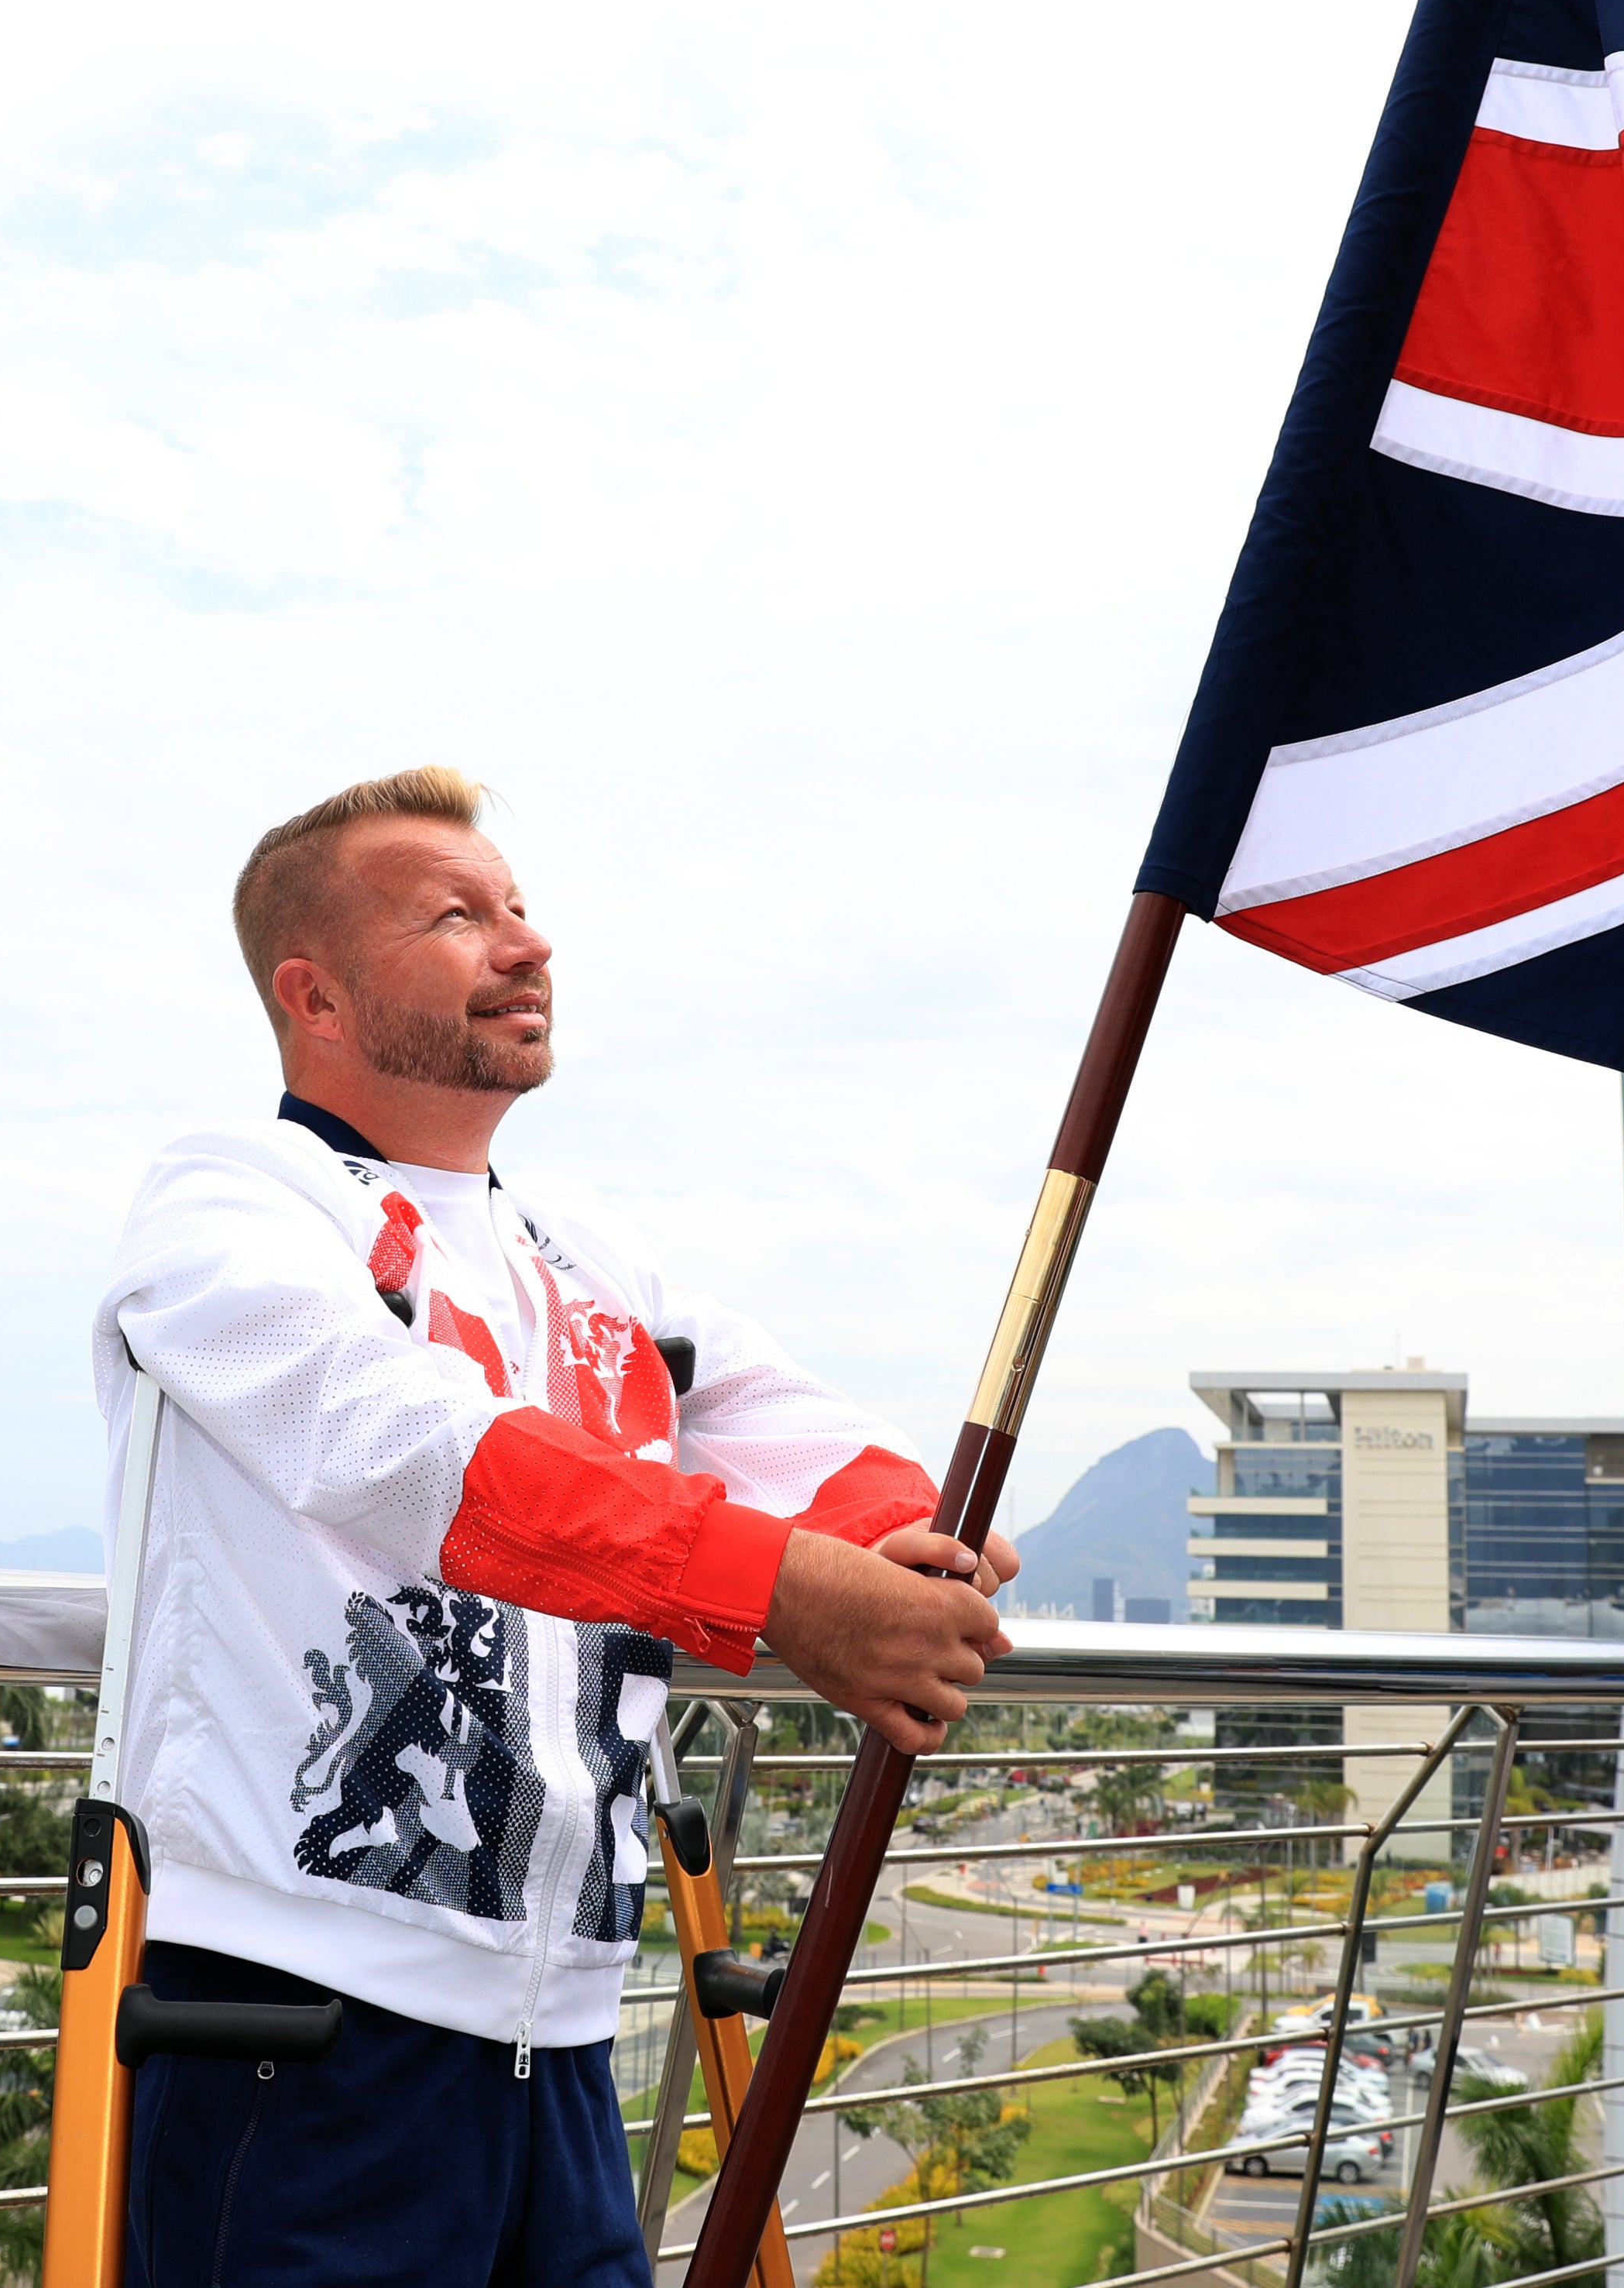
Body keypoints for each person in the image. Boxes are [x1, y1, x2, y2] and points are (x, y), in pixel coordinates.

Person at [88, 764, 1018, 2286]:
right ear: (311, 995)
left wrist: (897, 1551)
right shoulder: (231, 1208)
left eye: (519, 909)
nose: (525, 945)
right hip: (293, 2024)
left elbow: (823, 1446)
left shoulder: (587, 1259)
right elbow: (413, 1452)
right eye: (457, 917)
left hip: (563, 2031)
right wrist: (782, 1584)